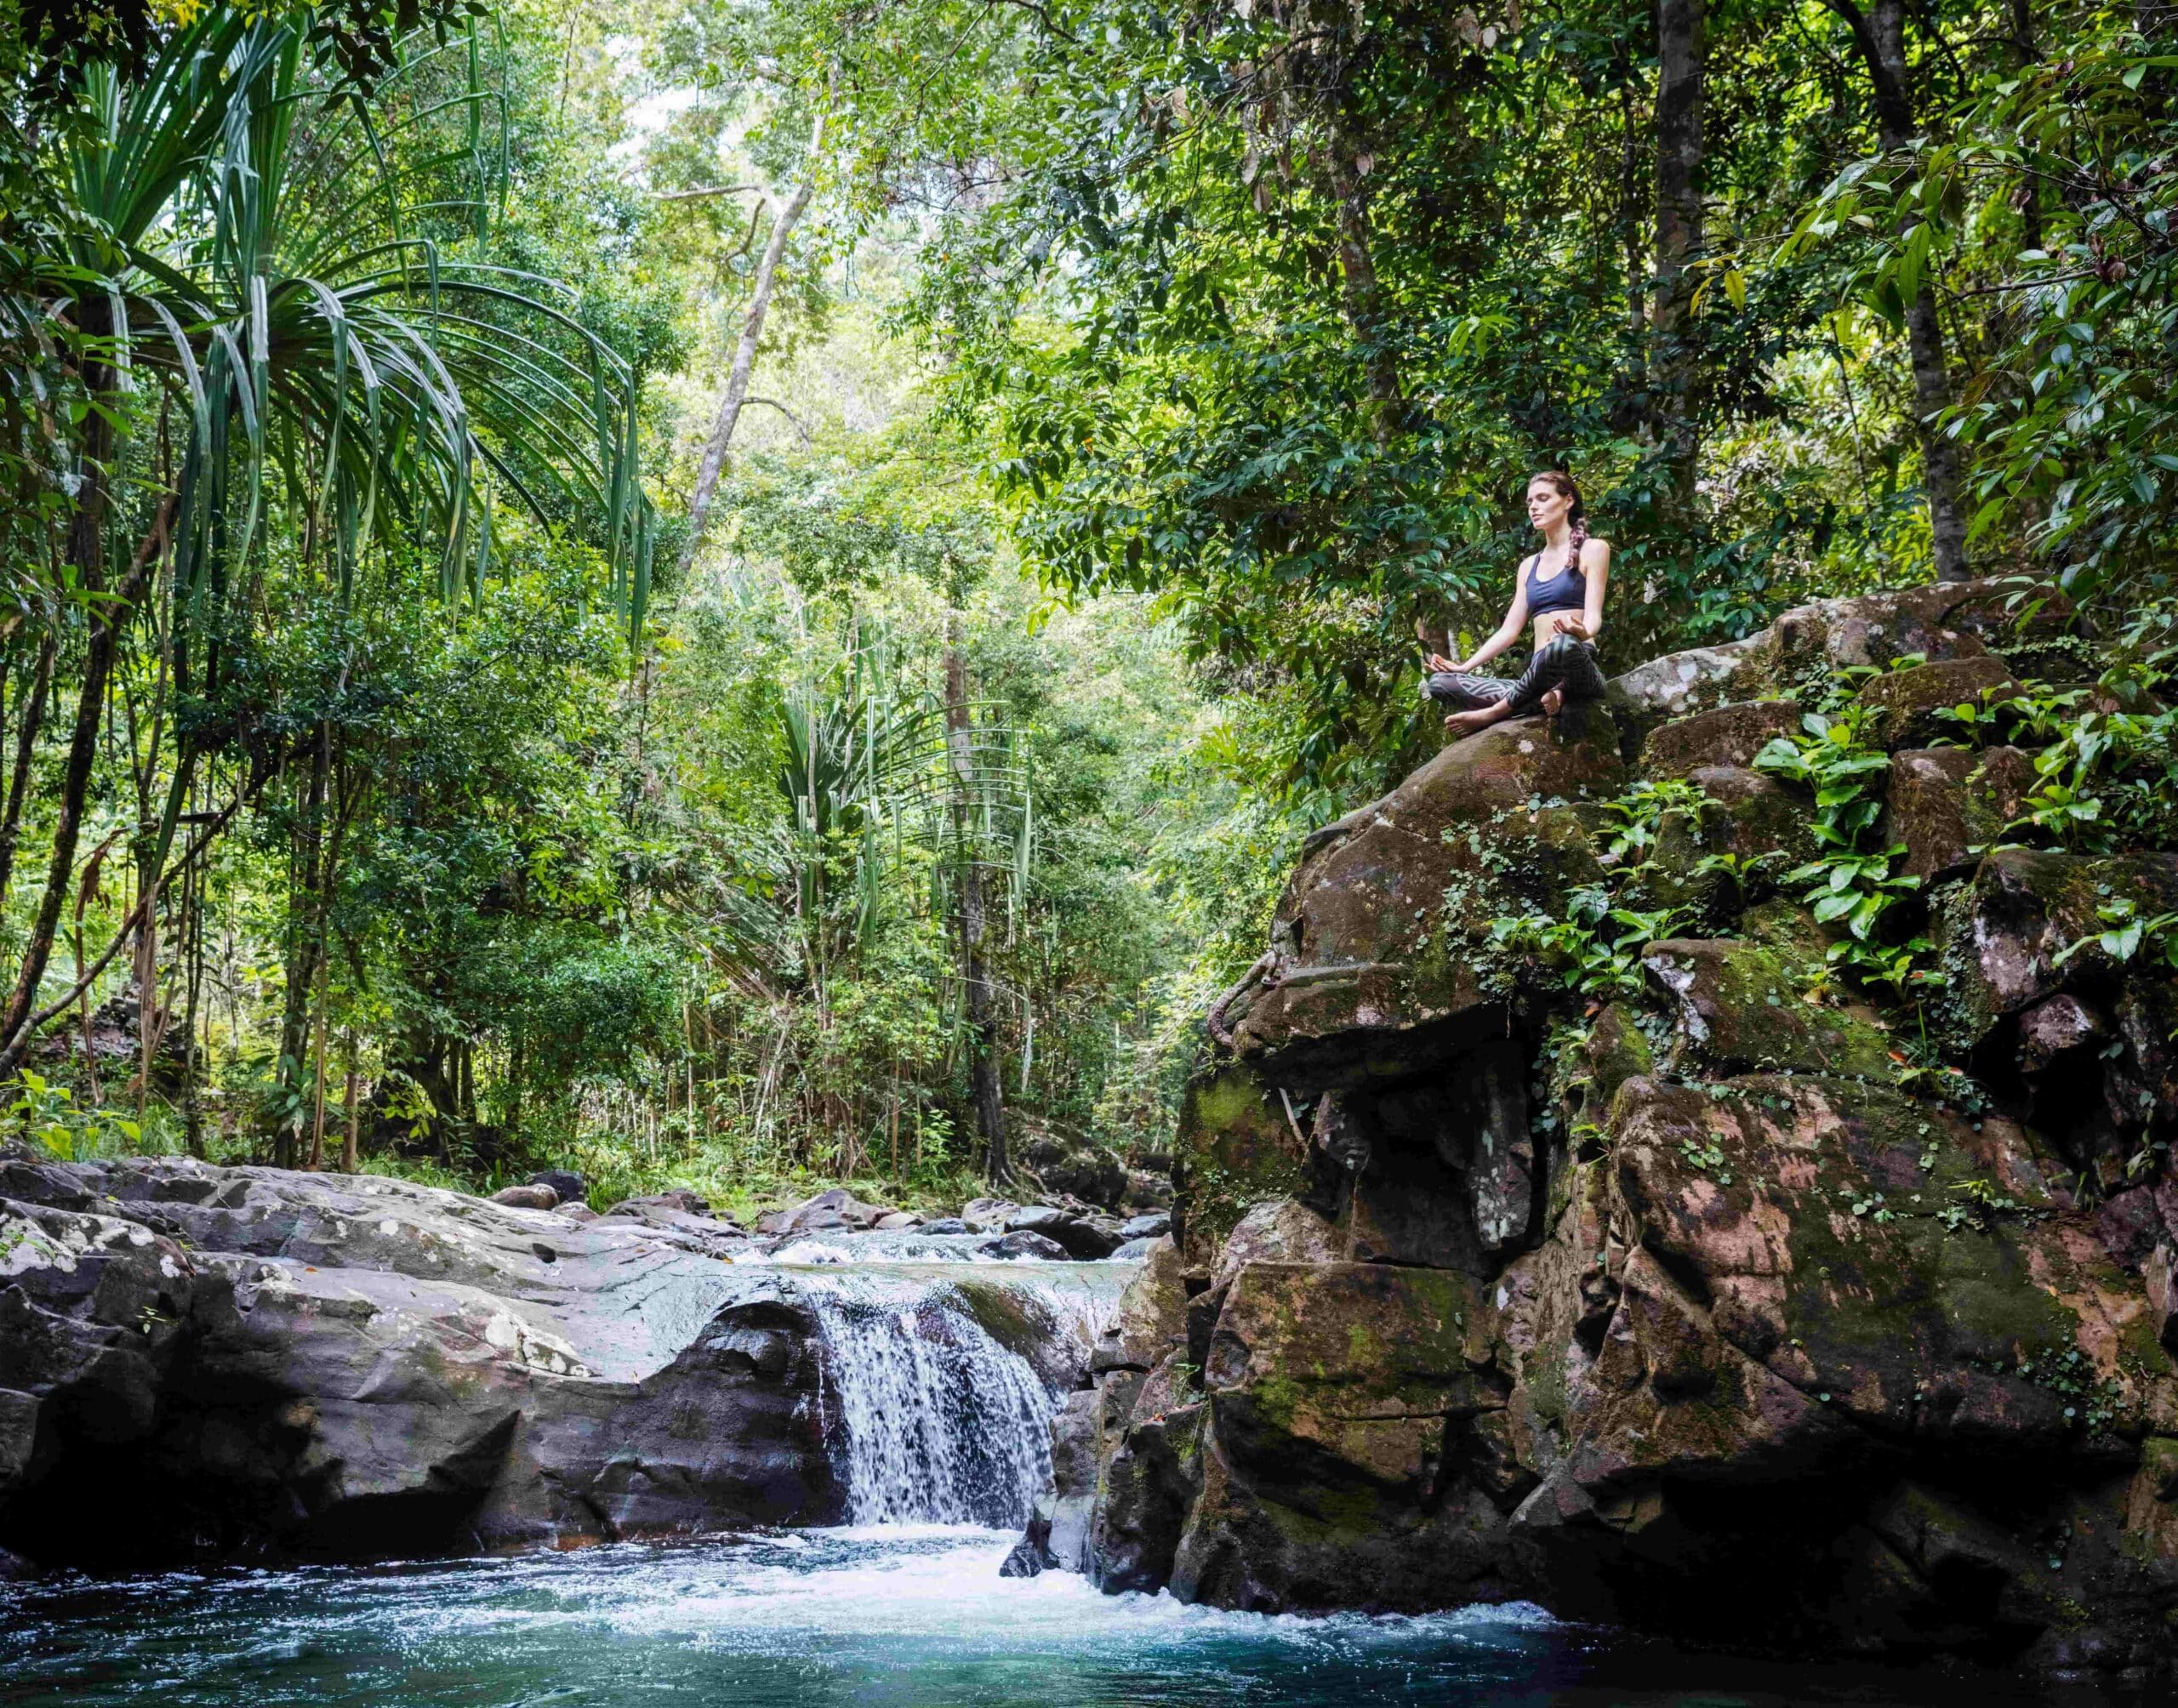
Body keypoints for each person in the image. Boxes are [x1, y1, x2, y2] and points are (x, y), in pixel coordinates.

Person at [1423, 470, 1611, 737]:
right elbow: (1509, 631)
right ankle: (1547, 697)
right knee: (1441, 683)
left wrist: (1583, 632)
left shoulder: (1594, 549)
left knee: (1561, 645)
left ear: (1568, 501)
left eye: (1543, 498)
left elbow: (1593, 616)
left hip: (1576, 665)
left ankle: (1496, 711)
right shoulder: (1528, 566)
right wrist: (1466, 666)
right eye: (1530, 502)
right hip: (1538, 676)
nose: (1534, 507)